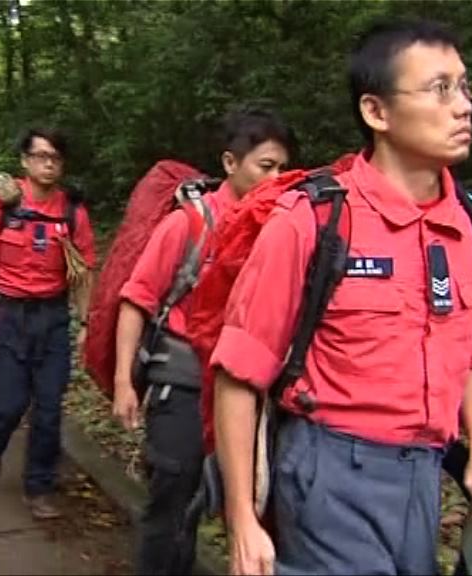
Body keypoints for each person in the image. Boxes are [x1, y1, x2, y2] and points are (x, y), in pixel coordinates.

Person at [210, 19, 472, 576]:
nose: (463, 106)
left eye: (465, 86)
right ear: (376, 112)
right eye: (438, 88)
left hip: (423, 478)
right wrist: (241, 519)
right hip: (329, 473)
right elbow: (238, 375)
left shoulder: (470, 224)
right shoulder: (314, 220)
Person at [113, 106, 297, 575]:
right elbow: (136, 298)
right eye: (265, 166)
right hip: (185, 386)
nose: (276, 177)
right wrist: (123, 382)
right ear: (231, 163)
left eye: (282, 167)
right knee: (175, 502)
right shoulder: (189, 224)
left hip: (251, 393)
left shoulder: (280, 228)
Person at [0, 127, 97, 520]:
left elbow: (84, 272)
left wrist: (86, 322)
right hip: (8, 316)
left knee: (49, 408)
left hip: (53, 318)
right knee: (6, 406)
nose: (48, 163)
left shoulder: (73, 213)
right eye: (40, 155)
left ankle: (38, 486)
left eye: (55, 157)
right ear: (25, 160)